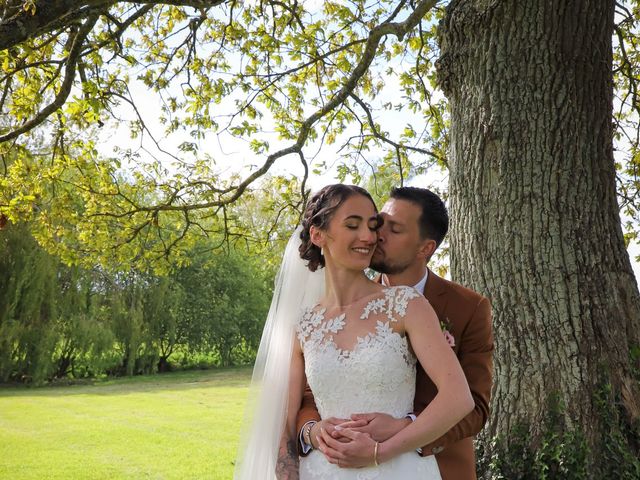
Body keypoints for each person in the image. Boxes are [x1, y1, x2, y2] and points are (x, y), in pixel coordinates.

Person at [234, 184, 474, 480]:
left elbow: (459, 399)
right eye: (352, 225)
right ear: (318, 235)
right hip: (322, 472)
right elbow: (285, 422)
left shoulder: (405, 304)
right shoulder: (304, 325)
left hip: (399, 469)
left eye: (372, 226)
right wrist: (313, 432)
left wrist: (379, 452)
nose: (368, 236)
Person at [296, 187, 494, 480]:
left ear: (425, 248)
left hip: (434, 463)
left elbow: (474, 405)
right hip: (335, 465)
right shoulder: (327, 314)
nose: (375, 235)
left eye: (394, 229)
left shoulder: (467, 307)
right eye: (379, 223)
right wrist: (312, 432)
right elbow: (314, 394)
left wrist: (403, 427)